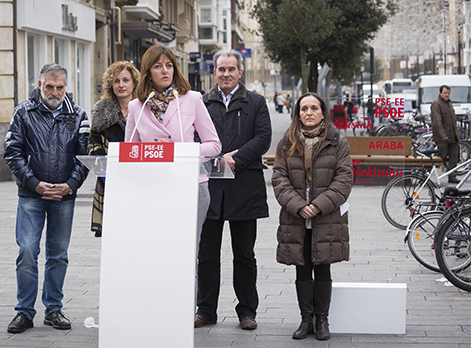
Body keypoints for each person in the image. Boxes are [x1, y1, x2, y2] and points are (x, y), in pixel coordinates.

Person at [4, 63, 90, 333]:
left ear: (66, 87)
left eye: (60, 87)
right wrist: (34, 184)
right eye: (49, 86)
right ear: (40, 84)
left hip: (64, 196)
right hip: (31, 195)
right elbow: (12, 152)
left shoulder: (78, 115)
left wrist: (70, 185)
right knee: (27, 251)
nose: (54, 92)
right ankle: (24, 312)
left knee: (59, 255)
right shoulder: (23, 112)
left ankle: (53, 310)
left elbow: (85, 156)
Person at [125, 44, 221, 272]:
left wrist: (181, 151)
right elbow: (130, 153)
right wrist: (154, 152)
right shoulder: (136, 106)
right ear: (148, 72)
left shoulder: (192, 99)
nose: (165, 71)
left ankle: (186, 306)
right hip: (152, 188)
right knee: (158, 251)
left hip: (191, 186)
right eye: (158, 66)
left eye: (169, 65)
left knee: (187, 254)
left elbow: (214, 145)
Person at [195, 49, 271, 331]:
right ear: (214, 73)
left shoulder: (256, 102)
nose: (226, 74)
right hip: (209, 188)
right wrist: (215, 159)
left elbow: (263, 138)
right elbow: (192, 137)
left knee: (244, 255)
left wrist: (235, 159)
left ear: (240, 72)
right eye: (221, 69)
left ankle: (247, 312)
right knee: (207, 254)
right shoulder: (201, 102)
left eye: (231, 69)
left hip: (244, 187)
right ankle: (205, 310)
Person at [271, 92, 353, 340]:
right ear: (298, 113)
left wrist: (317, 205)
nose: (308, 113)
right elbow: (278, 178)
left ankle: (322, 321)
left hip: (325, 216)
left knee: (323, 266)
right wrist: (299, 206)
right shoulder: (287, 142)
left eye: (313, 108)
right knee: (302, 268)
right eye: (303, 108)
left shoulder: (338, 142)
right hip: (296, 217)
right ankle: (306, 319)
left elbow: (344, 179)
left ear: (322, 112)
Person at [87, 61, 140, 237]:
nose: (121, 85)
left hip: (139, 178)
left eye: (126, 80)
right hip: (109, 179)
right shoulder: (101, 110)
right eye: (116, 81)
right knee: (113, 235)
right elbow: (93, 141)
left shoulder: (146, 108)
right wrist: (103, 168)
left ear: (134, 83)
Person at [431, 85, 460, 183]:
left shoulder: (449, 103)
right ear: (440, 93)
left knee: (454, 157)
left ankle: (452, 176)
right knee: (440, 157)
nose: (447, 95)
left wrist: (456, 133)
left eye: (448, 93)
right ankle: (426, 174)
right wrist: (443, 135)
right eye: (445, 93)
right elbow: (437, 121)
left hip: (452, 135)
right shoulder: (436, 103)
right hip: (442, 137)